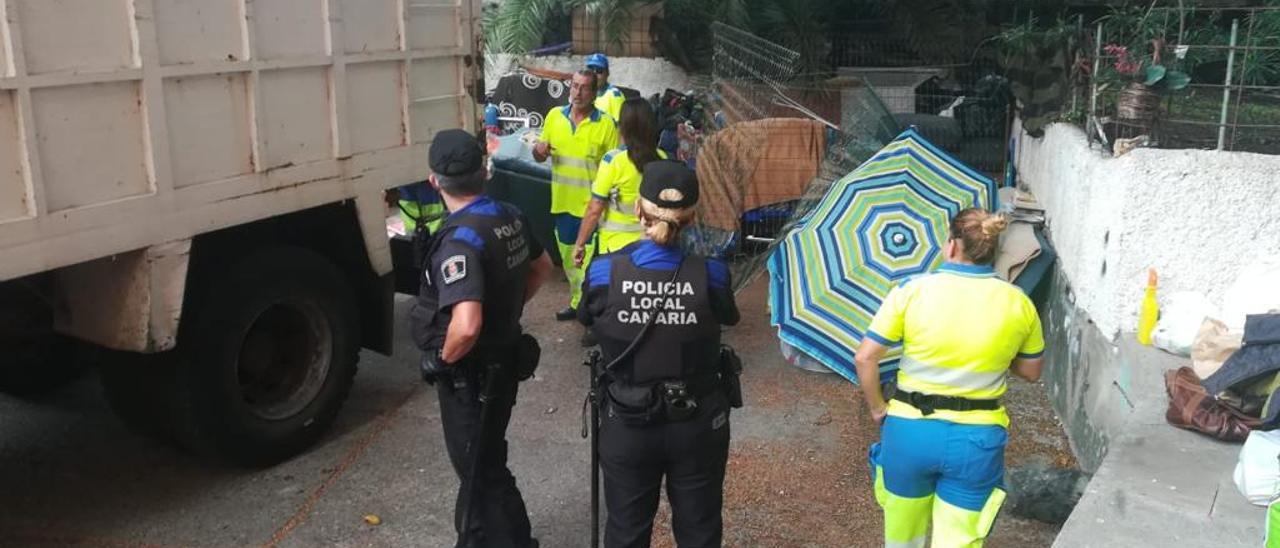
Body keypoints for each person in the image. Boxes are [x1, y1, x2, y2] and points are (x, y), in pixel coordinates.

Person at [853, 208, 1045, 548]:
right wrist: (998, 354)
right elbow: (1031, 371)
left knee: (902, 537)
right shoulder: (1018, 302)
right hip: (977, 439)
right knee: (958, 540)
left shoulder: (911, 291)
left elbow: (865, 357)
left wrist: (878, 408)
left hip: (909, 431)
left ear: (952, 245)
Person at [579, 160, 741, 548]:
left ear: (638, 208)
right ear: (693, 217)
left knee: (625, 530)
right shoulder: (713, 274)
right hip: (699, 421)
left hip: (627, 420)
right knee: (700, 530)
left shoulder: (604, 272)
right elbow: (728, 318)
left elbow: (588, 318)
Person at [410, 129, 553, 548]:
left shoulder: (460, 240)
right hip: (502, 359)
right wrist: (507, 311)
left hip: (470, 376)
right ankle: (472, 537)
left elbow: (467, 324)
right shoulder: (508, 215)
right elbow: (541, 267)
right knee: (481, 461)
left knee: (484, 470)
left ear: (434, 181)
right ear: (484, 171)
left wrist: (443, 358)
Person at [533, 70, 619, 339]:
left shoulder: (606, 125)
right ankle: (576, 304)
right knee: (571, 264)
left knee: (590, 268)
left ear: (595, 93)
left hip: (592, 211)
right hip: (562, 205)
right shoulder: (554, 117)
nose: (578, 92)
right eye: (574, 86)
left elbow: (614, 168)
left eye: (584, 88)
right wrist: (538, 151)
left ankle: (591, 317)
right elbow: (539, 155)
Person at [572, 98, 665, 267]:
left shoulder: (613, 160)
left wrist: (580, 243)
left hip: (615, 246)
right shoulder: (663, 158)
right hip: (651, 245)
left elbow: (595, 208)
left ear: (622, 126)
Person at [587, 53, 626, 121]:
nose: (594, 74)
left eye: (599, 71)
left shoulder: (614, 95)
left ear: (607, 73)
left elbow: (621, 125)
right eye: (591, 70)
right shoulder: (585, 94)